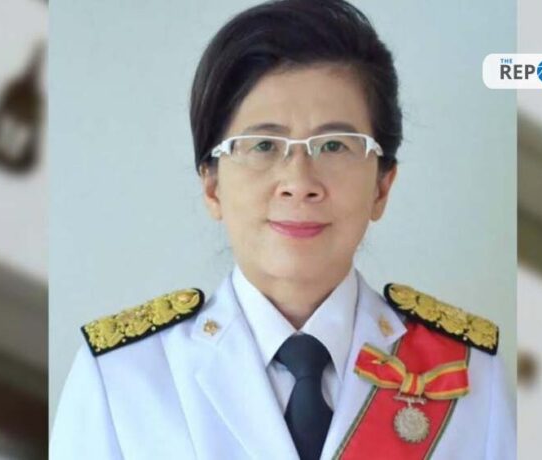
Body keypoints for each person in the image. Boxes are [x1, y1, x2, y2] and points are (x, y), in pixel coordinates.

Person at [50, 0, 515, 459]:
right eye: (263, 145)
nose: (299, 182)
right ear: (211, 184)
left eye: (334, 145)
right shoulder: (123, 379)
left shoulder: (470, 377)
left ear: (382, 185)